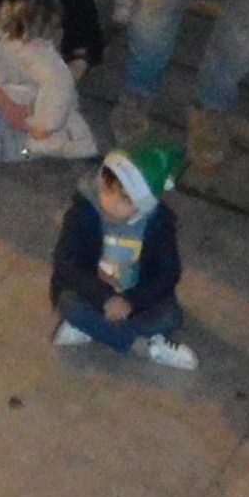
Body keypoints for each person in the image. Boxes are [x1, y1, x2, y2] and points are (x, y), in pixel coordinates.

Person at [54, 139, 195, 367]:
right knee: (69, 302)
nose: (110, 203)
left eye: (125, 200)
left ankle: (92, 328)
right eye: (108, 189)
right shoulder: (84, 213)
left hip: (135, 300)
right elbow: (66, 262)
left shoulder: (157, 225)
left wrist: (130, 301)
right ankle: (145, 346)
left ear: (144, 204)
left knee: (171, 316)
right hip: (94, 294)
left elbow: (169, 272)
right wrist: (105, 298)